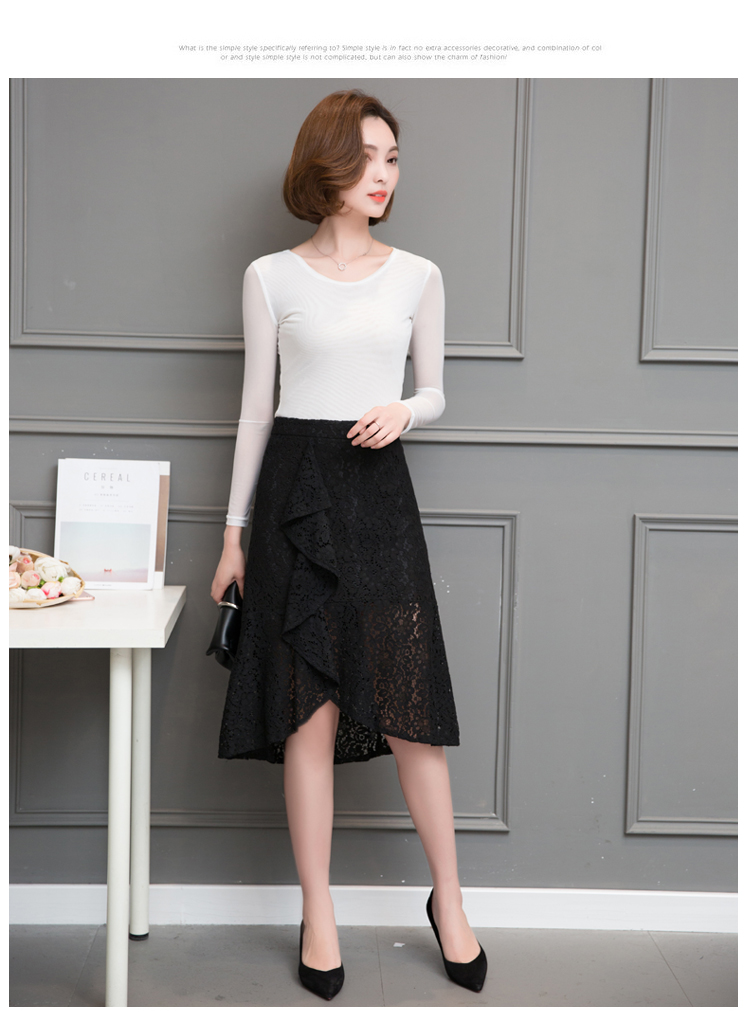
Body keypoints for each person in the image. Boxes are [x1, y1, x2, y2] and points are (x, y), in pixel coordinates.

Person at [211, 89, 487, 1001]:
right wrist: (231, 536)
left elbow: (435, 389)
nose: (384, 174)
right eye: (368, 155)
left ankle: (450, 901)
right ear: (325, 161)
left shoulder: (417, 275)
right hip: (293, 496)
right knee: (309, 714)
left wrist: (404, 410)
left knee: (411, 711)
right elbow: (255, 412)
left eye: (393, 158)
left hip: (376, 495)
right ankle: (317, 912)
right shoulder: (269, 277)